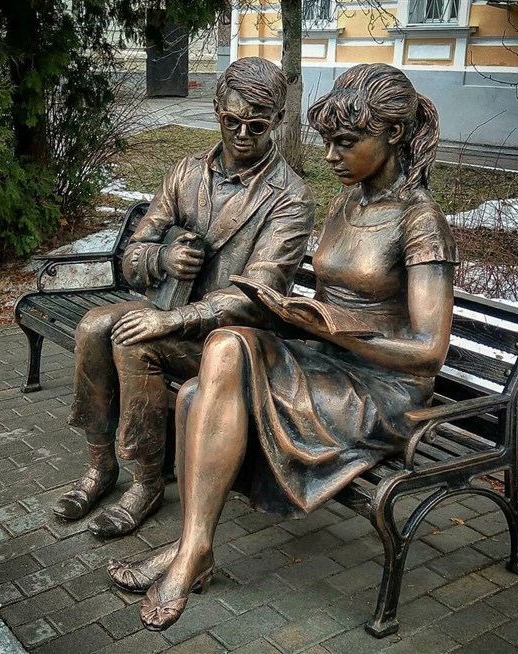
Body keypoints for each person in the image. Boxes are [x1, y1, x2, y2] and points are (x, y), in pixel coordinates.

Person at [110, 62, 459, 631]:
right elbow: (325, 308)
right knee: (208, 372)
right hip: (329, 363)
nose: (330, 157)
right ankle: (194, 545)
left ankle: (191, 552)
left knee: (214, 369)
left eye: (346, 143)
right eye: (328, 142)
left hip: (384, 391)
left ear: (393, 134)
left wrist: (329, 329)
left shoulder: (422, 223)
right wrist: (289, 315)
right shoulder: (348, 205)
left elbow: (428, 352)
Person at [53, 57, 315, 538]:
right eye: (232, 120)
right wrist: (163, 258)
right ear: (216, 109)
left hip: (233, 340)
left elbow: (258, 296)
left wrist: (169, 322)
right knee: (93, 325)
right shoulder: (185, 173)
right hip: (170, 307)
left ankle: (146, 482)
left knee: (135, 343)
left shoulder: (289, 197)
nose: (242, 134)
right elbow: (133, 256)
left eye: (257, 125)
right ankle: (100, 465)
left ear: (278, 119)